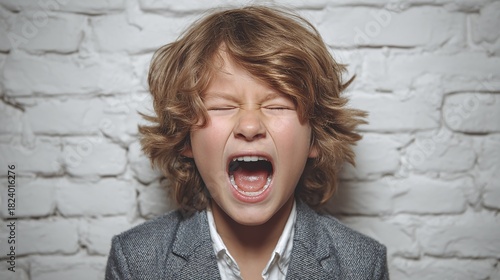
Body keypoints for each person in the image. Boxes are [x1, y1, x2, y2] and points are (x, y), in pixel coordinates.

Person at [105, 5, 389, 280]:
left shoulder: (362, 264)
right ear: (185, 138)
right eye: (221, 107)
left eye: (278, 106)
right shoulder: (136, 261)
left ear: (315, 137)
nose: (250, 126)